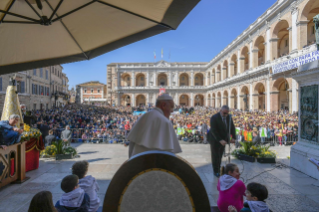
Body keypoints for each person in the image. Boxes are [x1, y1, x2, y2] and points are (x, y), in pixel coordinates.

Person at [126, 94, 182, 158]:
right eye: (171, 107)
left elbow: (132, 145)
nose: (172, 111)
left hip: (138, 162)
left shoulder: (144, 116)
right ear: (163, 105)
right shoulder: (165, 121)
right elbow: (168, 153)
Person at [207, 105, 236, 177]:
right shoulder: (214, 117)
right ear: (220, 111)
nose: (225, 115)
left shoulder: (229, 117)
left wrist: (233, 137)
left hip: (223, 139)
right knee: (215, 156)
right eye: (224, 113)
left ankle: (219, 168)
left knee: (220, 155)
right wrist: (220, 140)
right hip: (214, 139)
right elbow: (214, 130)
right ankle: (216, 171)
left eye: (227, 113)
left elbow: (232, 127)